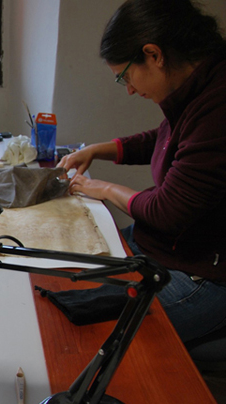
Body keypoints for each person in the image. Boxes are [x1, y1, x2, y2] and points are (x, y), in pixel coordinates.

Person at [58, 0, 226, 352]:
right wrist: (100, 149)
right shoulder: (198, 88)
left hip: (202, 274)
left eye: (125, 76)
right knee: (66, 276)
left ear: (153, 55)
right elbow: (166, 141)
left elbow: (167, 210)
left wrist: (100, 188)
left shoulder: (217, 104)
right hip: (164, 247)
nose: (130, 89)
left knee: (88, 336)